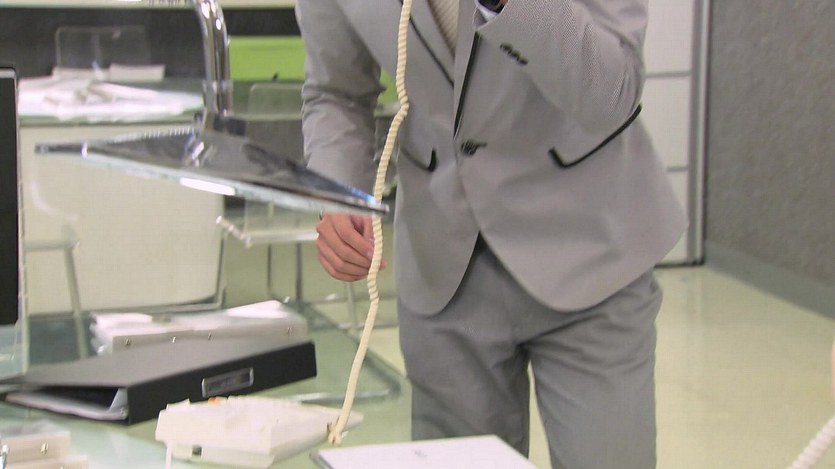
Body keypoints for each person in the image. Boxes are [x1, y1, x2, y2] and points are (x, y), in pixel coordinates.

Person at [294, 0, 686, 467]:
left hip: (590, 247)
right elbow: (335, 94)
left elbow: (612, 94)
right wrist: (339, 194)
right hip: (442, 263)